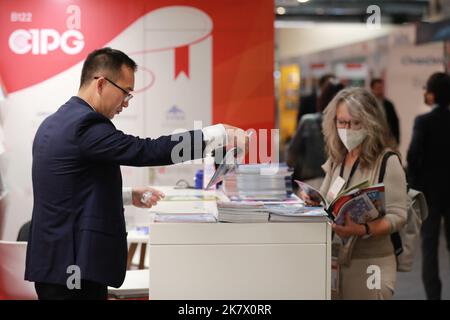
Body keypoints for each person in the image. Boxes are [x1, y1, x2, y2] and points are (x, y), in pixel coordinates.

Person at [25, 47, 246, 300]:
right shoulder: (85, 125)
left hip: (55, 262)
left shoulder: (54, 122)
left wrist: (129, 195)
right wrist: (217, 134)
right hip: (73, 265)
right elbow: (146, 151)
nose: (125, 103)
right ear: (101, 83)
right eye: (125, 93)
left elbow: (69, 191)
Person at [305, 87, 407, 299]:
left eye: (355, 123)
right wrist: (314, 200)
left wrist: (361, 229)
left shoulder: (388, 161)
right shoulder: (338, 158)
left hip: (372, 261)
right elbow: (325, 198)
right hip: (335, 259)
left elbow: (399, 216)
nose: (347, 129)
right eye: (342, 122)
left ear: (371, 122)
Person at [406, 72, 450, 300]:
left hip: (430, 195)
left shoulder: (423, 122)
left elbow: (413, 156)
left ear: (432, 93)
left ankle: (434, 297)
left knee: (430, 248)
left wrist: (415, 185)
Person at [287, 80, 344, 189]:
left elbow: (292, 153)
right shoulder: (345, 125)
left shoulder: (308, 121)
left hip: (311, 180)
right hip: (337, 181)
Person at [370, 78, 400, 145]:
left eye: (381, 87)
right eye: (377, 88)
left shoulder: (388, 104)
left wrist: (397, 139)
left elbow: (395, 122)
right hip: (372, 139)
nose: (380, 90)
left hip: (386, 138)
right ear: (372, 89)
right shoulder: (367, 104)